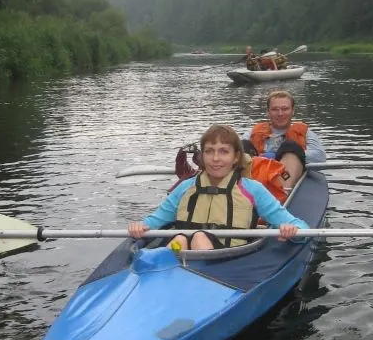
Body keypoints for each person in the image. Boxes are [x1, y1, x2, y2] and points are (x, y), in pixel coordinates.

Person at [128, 124, 309, 250]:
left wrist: (292, 231)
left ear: (236, 157)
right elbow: (154, 222)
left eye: (223, 151)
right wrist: (139, 227)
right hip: (184, 256)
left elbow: (301, 227)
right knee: (180, 239)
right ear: (202, 156)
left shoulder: (252, 189)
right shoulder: (185, 188)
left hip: (228, 263)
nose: (215, 159)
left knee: (199, 236)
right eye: (209, 151)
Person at [241, 90, 327, 189]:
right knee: (243, 146)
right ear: (268, 112)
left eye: (285, 109)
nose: (280, 114)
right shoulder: (252, 133)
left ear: (292, 111)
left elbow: (319, 156)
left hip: (285, 176)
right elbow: (235, 155)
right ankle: (244, 188)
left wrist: (280, 155)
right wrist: (262, 158)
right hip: (256, 177)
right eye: (275, 109)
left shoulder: (305, 133)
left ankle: (283, 190)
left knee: (290, 147)